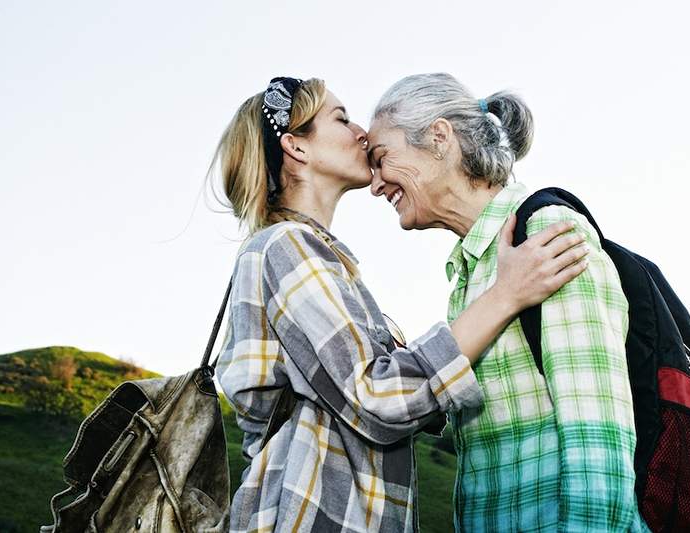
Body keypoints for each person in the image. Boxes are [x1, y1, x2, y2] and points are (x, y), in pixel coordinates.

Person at [211, 76, 589, 532]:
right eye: (340, 118)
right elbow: (376, 397)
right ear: (297, 148)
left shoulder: (319, 258)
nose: (360, 133)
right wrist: (505, 296)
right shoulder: (287, 247)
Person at [368, 72, 649, 532]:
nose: (375, 184)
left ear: (439, 138)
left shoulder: (545, 233)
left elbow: (597, 436)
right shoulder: (471, 273)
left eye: (382, 159)